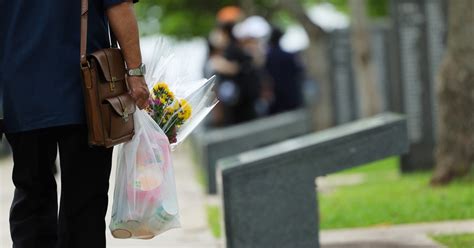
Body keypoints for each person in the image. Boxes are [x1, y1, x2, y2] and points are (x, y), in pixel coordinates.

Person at [0, 0, 149, 247]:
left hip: (21, 91)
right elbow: (119, 6)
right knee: (85, 203)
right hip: (86, 91)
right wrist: (135, 73)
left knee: (31, 195)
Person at [265, 27, 305, 114]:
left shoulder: (268, 57)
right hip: (290, 91)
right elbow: (299, 70)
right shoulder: (288, 56)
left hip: (277, 92)